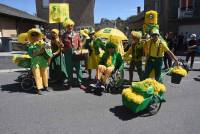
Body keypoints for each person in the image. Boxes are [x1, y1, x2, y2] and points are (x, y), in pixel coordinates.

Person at [62, 18, 86, 90]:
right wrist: (62, 46)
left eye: (71, 25)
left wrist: (80, 48)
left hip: (76, 52)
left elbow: (80, 43)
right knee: (69, 69)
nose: (70, 27)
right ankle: (70, 82)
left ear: (73, 26)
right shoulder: (64, 35)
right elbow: (62, 44)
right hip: (68, 53)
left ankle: (80, 83)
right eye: (68, 26)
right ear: (66, 26)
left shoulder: (77, 34)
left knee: (79, 68)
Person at [27, 28, 52, 95]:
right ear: (31, 36)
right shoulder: (30, 45)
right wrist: (40, 51)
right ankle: (39, 89)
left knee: (45, 74)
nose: (35, 36)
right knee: (37, 75)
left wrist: (48, 46)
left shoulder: (43, 43)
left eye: (36, 34)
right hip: (35, 62)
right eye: (33, 35)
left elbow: (49, 51)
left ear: (39, 35)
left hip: (43, 61)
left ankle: (46, 86)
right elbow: (31, 54)